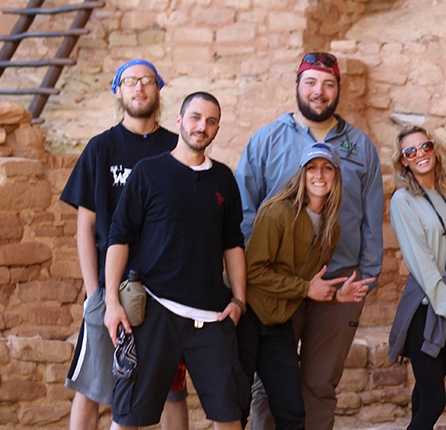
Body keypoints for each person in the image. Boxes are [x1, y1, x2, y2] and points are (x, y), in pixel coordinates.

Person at [235, 52, 384, 430]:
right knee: (269, 383)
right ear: (298, 85)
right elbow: (244, 208)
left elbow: (370, 217)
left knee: (320, 383)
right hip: (279, 284)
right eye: (311, 82)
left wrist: (366, 278)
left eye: (328, 84)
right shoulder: (267, 140)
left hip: (340, 283)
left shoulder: (359, 146)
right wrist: (254, 274)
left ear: (338, 90)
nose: (319, 92)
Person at [102, 92, 246, 430]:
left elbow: (233, 243)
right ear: (179, 121)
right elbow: (119, 237)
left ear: (217, 129)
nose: (202, 127)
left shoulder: (224, 179)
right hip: (154, 311)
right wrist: (111, 301)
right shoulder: (148, 172)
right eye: (195, 118)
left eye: (211, 122)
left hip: (211, 316)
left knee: (230, 415)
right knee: (128, 416)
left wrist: (239, 299)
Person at [59, 59, 189, 430]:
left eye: (147, 81)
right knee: (91, 388)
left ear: (158, 88)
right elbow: (85, 227)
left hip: (166, 292)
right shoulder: (101, 149)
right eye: (130, 81)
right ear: (118, 90)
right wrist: (94, 294)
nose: (139, 88)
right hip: (109, 289)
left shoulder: (175, 148)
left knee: (171, 390)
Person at [239, 142, 372, 429]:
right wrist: (306, 289)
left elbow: (306, 288)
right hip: (247, 318)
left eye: (326, 168)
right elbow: (252, 272)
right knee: (235, 407)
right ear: (302, 173)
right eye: (311, 167)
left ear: (336, 175)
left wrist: (336, 296)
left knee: (292, 413)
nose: (319, 175)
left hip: (279, 325)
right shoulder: (277, 212)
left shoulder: (330, 229)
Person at [386, 126, 446, 430]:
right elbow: (422, 264)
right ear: (403, 161)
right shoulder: (402, 201)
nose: (419, 154)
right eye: (410, 152)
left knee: (422, 399)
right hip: (427, 310)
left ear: (434, 149)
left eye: (424, 146)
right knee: (435, 400)